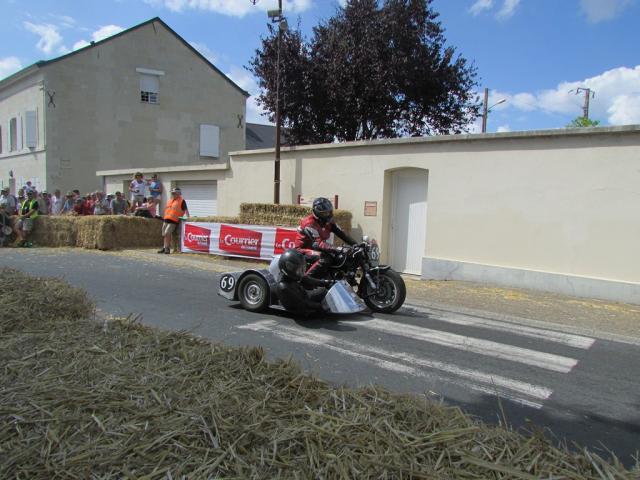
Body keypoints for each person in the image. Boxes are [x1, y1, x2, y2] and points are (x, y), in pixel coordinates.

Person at [295, 197, 356, 278]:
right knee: (324, 258)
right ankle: (305, 280)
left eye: (329, 212)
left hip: (315, 248)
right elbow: (318, 244)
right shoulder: (309, 223)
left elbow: (342, 234)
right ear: (317, 213)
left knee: (338, 258)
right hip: (302, 250)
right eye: (325, 213)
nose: (328, 214)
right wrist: (338, 249)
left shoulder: (328, 222)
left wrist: (356, 245)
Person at [275, 249, 334, 314]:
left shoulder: (290, 276)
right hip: (301, 303)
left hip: (303, 295)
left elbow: (308, 279)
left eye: (301, 268)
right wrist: (321, 307)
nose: (300, 271)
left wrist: (326, 282)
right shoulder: (284, 287)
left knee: (325, 289)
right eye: (298, 269)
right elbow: (303, 303)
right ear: (288, 267)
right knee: (325, 293)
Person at [158, 187, 189, 254]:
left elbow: (186, 210)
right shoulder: (170, 200)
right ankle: (164, 247)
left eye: (174, 193)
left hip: (174, 220)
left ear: (179, 194)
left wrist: (189, 218)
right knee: (164, 234)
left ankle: (167, 248)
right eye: (172, 193)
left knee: (167, 233)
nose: (173, 194)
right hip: (166, 219)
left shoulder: (182, 201)